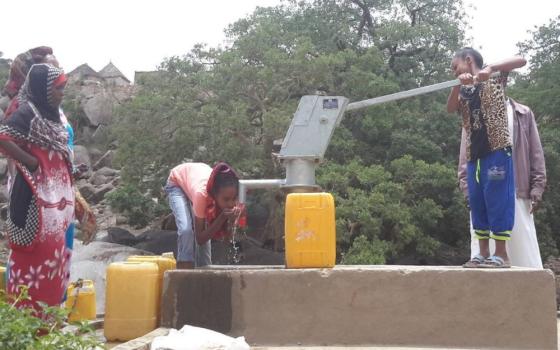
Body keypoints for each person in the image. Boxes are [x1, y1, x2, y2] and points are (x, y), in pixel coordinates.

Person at [0, 63, 74, 311]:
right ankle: (26, 327)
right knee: (32, 260)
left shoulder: (53, 116)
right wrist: (31, 162)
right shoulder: (28, 113)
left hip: (55, 204)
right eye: (58, 88)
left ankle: (48, 326)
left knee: (53, 260)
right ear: (43, 89)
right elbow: (3, 137)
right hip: (33, 201)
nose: (62, 93)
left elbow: (56, 150)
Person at [447, 47, 526, 268]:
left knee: (498, 199)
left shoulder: (494, 77)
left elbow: (521, 60)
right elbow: (450, 108)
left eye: (456, 67)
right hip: (474, 157)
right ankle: (481, 253)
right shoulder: (462, 89)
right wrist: (457, 85)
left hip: (497, 152)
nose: (454, 71)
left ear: (468, 59)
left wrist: (491, 68)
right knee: (478, 202)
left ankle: (501, 255)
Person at [459, 97, 546, 268]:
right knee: (483, 249)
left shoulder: (523, 113)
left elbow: (536, 153)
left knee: (524, 250)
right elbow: (465, 156)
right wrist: (466, 188)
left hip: (517, 189)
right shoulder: (474, 113)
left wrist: (538, 186)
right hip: (484, 190)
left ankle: (528, 292)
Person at [165, 162, 242, 269]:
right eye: (226, 200)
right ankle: (184, 273)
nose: (230, 204)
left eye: (233, 199)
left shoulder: (228, 195)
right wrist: (221, 218)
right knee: (186, 231)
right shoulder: (202, 195)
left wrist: (232, 221)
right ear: (215, 195)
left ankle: (205, 270)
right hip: (177, 182)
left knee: (206, 231)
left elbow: (226, 238)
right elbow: (200, 238)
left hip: (195, 178)